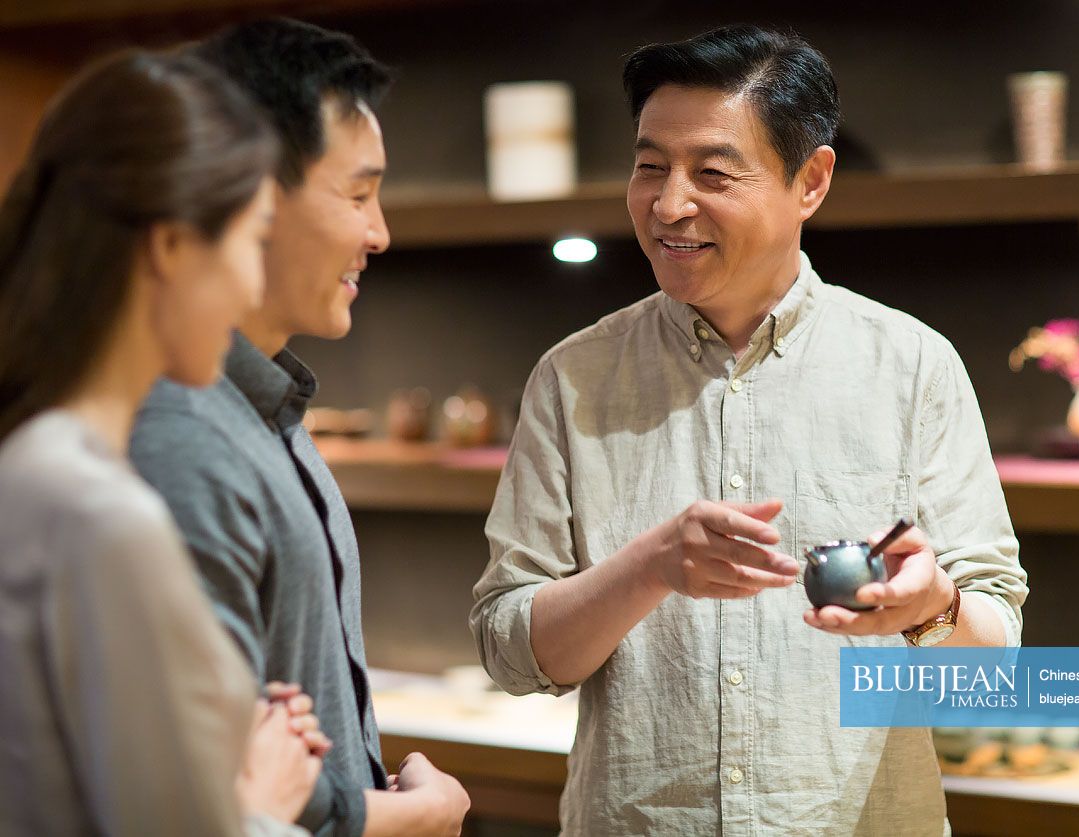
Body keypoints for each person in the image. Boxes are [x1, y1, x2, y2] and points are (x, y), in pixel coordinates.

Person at [472, 25, 1029, 835]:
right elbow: (507, 647)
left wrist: (931, 606)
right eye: (649, 166)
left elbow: (996, 672)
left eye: (711, 173)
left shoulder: (911, 366)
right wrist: (648, 568)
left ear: (811, 180)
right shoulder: (574, 376)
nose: (668, 205)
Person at [129, 19, 469, 837]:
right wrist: (405, 815)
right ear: (250, 196)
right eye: (357, 194)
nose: (379, 231)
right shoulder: (176, 431)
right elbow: (194, 767)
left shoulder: (266, 406)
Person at [0, 49, 324, 836]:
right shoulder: (97, 512)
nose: (253, 285)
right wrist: (263, 804)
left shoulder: (29, 468)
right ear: (172, 245)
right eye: (252, 241)